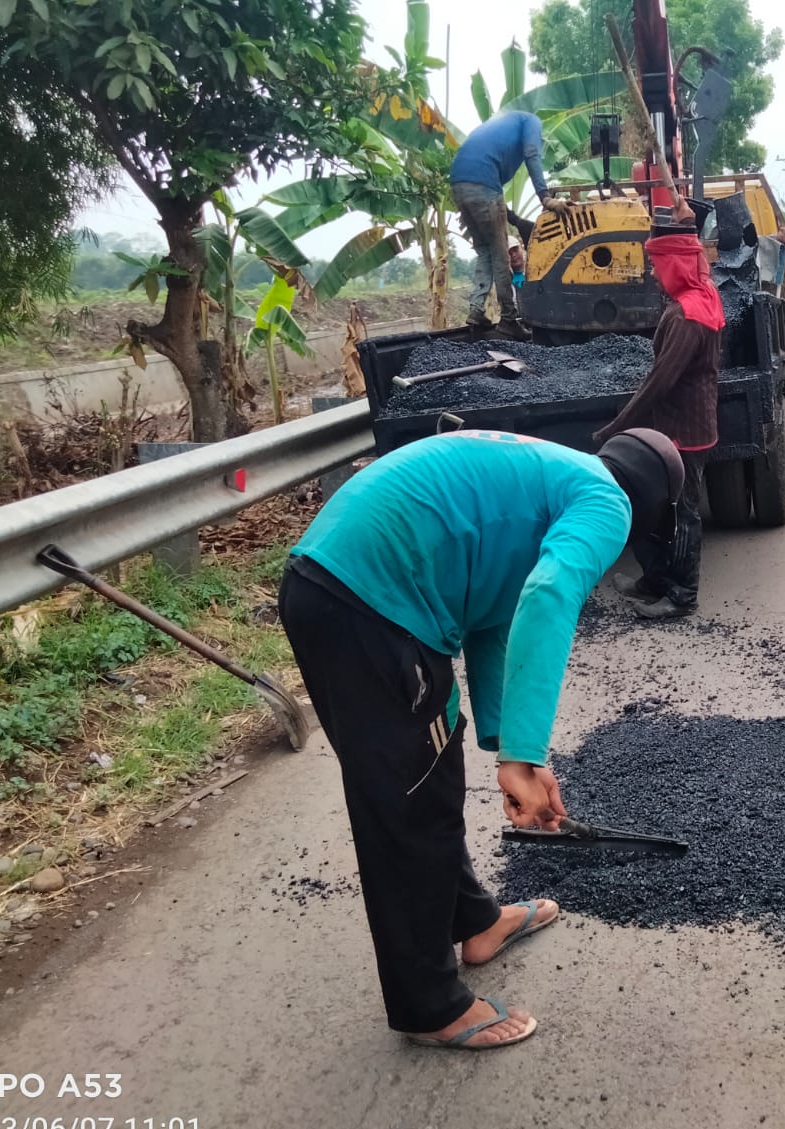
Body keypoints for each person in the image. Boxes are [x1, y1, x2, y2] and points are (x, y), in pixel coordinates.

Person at [278, 427, 685, 1050]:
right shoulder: (609, 501)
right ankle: (429, 1006)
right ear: (649, 507)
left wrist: (506, 748)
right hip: (370, 600)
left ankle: (477, 921)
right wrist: (527, 758)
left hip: (348, 586)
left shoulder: (558, 475)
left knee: (429, 774)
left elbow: (495, 615)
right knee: (407, 805)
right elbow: (547, 595)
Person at [594, 202, 724, 619]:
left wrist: (615, 428)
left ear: (675, 266)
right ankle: (655, 579)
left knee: (684, 512)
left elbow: (660, 382)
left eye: (657, 264)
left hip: (685, 431)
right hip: (680, 426)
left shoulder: (688, 316)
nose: (652, 273)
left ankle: (682, 596)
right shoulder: (697, 298)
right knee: (651, 504)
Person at [449, 111, 570, 340]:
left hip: (459, 184)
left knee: (485, 250)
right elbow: (532, 153)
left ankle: (476, 310)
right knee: (499, 252)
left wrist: (512, 217)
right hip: (483, 184)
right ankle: (509, 319)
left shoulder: (503, 124)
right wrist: (545, 197)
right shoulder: (531, 121)